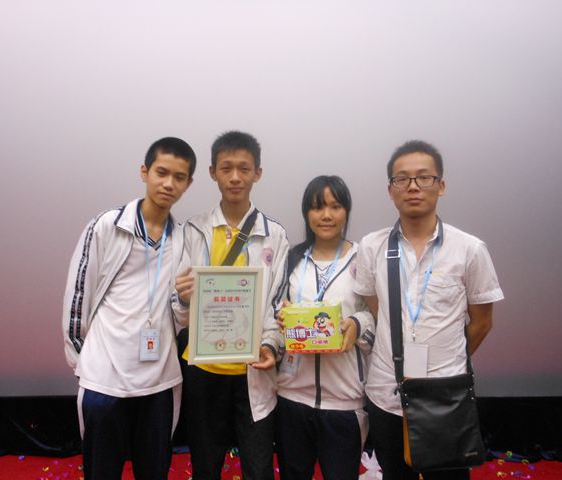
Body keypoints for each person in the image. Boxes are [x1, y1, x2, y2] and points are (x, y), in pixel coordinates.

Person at [354, 140, 504, 480]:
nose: (413, 186)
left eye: (424, 177)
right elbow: (377, 310)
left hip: (445, 397)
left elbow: (482, 322)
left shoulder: (469, 249)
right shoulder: (372, 247)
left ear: (441, 185)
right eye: (402, 179)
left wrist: (443, 364)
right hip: (386, 392)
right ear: (390, 190)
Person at [62, 137, 196, 479]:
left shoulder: (183, 238)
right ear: (144, 172)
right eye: (161, 172)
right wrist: (83, 365)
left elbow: (180, 318)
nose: (169, 184)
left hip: (159, 382)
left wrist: (184, 301)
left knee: (153, 471)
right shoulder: (108, 226)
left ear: (189, 183)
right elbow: (78, 297)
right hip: (104, 381)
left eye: (179, 177)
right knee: (102, 472)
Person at [172, 131, 289, 480]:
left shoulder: (274, 234)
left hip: (253, 368)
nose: (235, 177)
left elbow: (277, 302)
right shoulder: (193, 230)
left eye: (244, 168)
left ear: (258, 173)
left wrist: (270, 345)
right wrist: (183, 297)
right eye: (226, 168)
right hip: (204, 370)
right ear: (212, 173)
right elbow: (177, 308)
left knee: (258, 467)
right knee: (206, 466)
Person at [276, 175, 375, 480]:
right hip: (292, 395)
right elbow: (275, 307)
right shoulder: (291, 258)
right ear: (307, 213)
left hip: (344, 399)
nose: (327, 215)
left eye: (335, 206)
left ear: (347, 211)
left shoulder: (363, 258)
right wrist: (281, 317)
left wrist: (357, 324)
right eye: (318, 207)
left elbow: (378, 315)